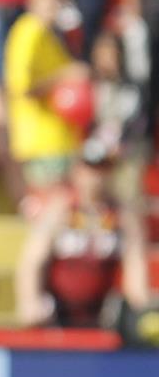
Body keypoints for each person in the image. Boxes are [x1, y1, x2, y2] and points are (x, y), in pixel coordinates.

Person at [16, 138, 150, 328]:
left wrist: (139, 311)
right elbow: (32, 260)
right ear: (77, 171)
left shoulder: (123, 216)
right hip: (56, 312)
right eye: (89, 169)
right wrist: (30, 301)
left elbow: (136, 267)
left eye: (102, 169)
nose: (95, 177)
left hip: (101, 313)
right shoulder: (60, 210)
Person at [5, 0, 88, 194]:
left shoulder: (50, 35)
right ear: (31, 1)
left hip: (59, 141)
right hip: (41, 143)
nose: (52, 4)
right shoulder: (29, 31)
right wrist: (65, 75)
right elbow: (23, 88)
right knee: (53, 206)